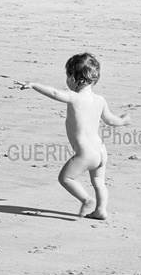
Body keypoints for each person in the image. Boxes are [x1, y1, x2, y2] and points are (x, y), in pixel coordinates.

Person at [16, 52, 131, 220]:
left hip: (86, 154)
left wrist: (33, 85)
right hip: (100, 151)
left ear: (74, 78)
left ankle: (86, 200)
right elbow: (110, 120)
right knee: (99, 182)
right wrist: (124, 120)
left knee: (66, 178)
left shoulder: (74, 97)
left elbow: (55, 94)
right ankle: (101, 210)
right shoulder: (100, 100)